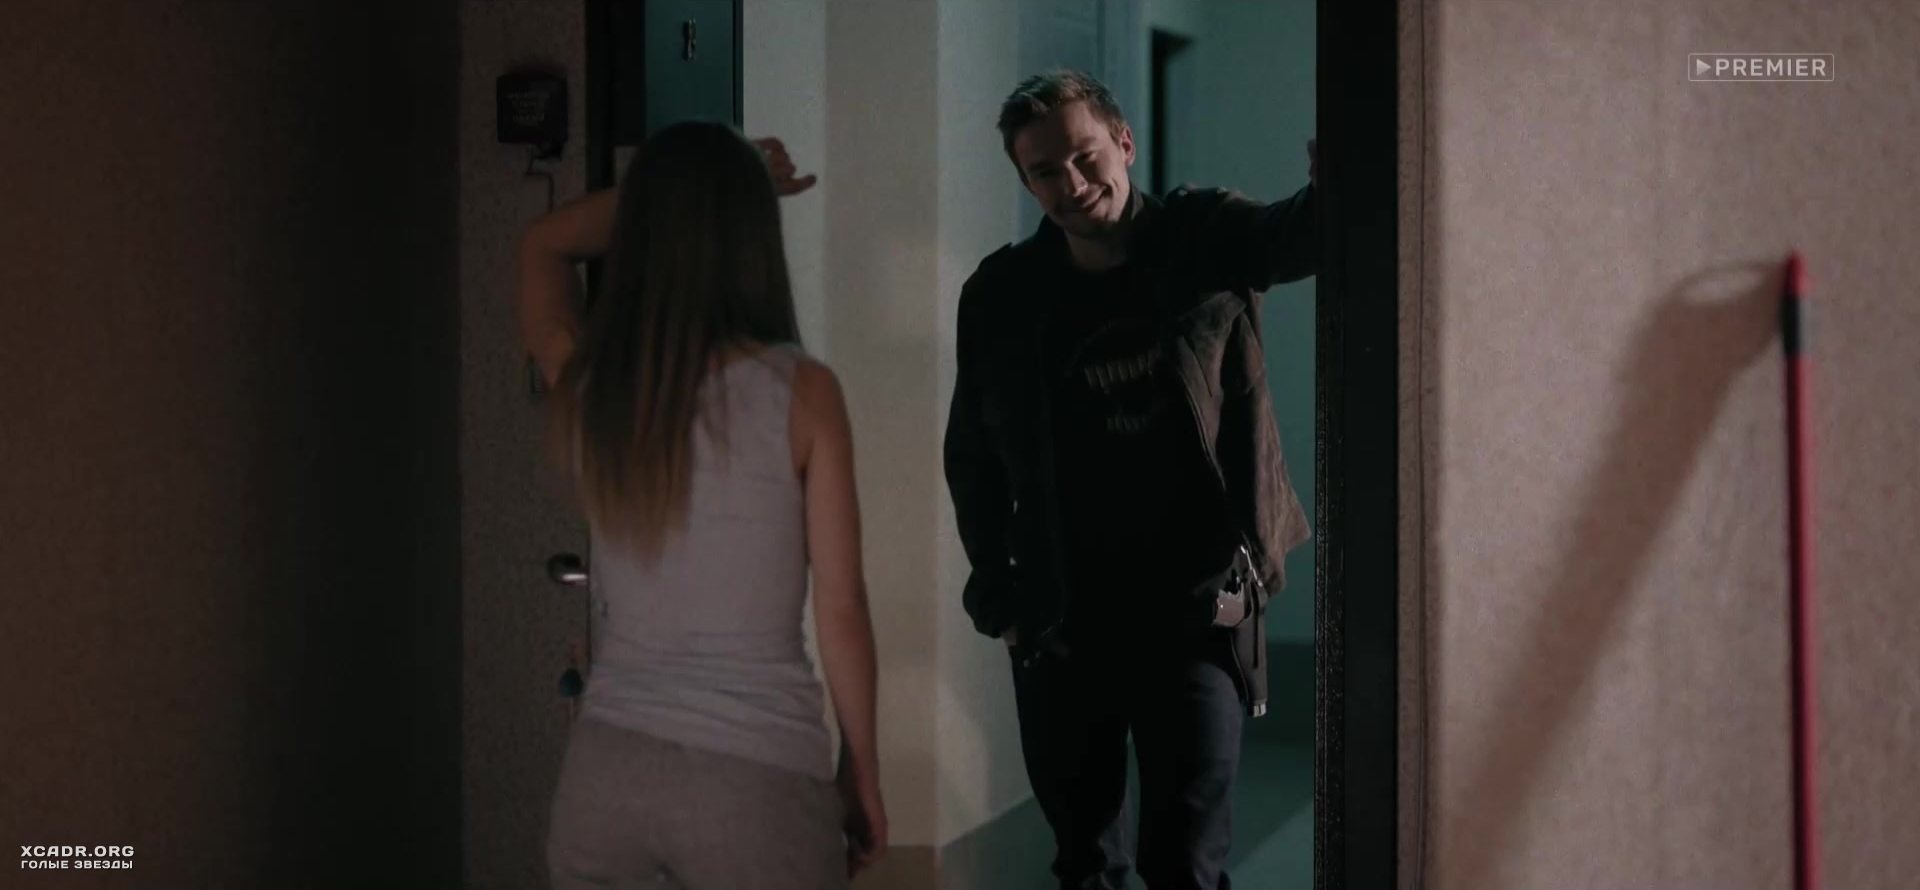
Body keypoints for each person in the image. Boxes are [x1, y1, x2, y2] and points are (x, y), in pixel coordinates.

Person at [942, 69, 1318, 890]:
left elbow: (1299, 237)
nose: (1073, 184)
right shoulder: (1002, 295)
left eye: (1086, 157)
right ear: (1026, 182)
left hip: (1200, 608)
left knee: (1186, 860)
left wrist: (1343, 175)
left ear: (1124, 143)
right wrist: (999, 596)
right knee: (1086, 862)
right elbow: (970, 455)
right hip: (1063, 617)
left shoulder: (1203, 234)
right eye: (1046, 171)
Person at [516, 121, 886, 889]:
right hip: (756, 782)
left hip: (604, 780)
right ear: (754, 238)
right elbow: (841, 608)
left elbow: (542, 245)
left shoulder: (597, 387)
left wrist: (666, 197)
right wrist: (862, 770)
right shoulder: (803, 392)